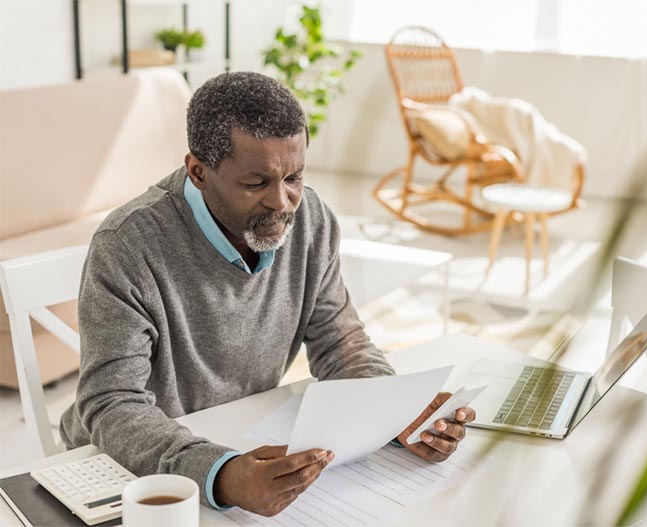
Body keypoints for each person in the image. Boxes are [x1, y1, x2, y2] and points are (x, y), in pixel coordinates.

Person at [60, 71, 476, 517]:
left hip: (240, 436)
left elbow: (340, 342)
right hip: (125, 469)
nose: (283, 202)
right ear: (199, 172)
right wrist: (219, 472)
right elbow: (112, 402)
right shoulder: (128, 244)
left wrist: (397, 415)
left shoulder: (310, 218)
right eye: (257, 183)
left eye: (294, 176)